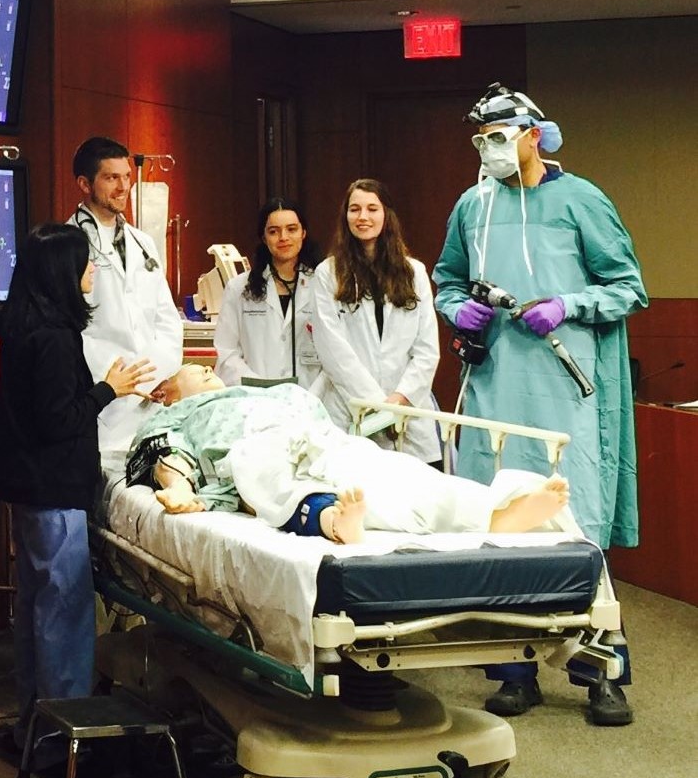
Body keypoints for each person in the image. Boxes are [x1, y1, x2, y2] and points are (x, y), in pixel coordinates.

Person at [433, 81, 648, 726]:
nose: (489, 150)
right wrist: (457, 310)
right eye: (480, 140)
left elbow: (628, 287)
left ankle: (600, 671)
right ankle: (514, 669)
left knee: (572, 524)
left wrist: (570, 304)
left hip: (565, 389)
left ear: (533, 133)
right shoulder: (472, 206)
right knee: (501, 524)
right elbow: (448, 278)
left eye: (499, 136)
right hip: (496, 387)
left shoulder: (580, 200)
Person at [0, 223, 154, 766]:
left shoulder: (23, 325)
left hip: (29, 486)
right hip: (54, 488)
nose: (92, 271)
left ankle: (37, 726)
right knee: (64, 612)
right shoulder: (55, 338)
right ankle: (63, 744)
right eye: (84, 263)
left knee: (37, 609)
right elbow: (61, 420)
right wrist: (110, 388)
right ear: (61, 271)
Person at [127, 365, 574, 544]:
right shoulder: (182, 414)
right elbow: (167, 454)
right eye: (197, 373)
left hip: (321, 439)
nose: (210, 372)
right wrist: (180, 488)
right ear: (171, 396)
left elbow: (318, 420)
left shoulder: (272, 393)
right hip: (252, 449)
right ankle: (334, 524)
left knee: (396, 470)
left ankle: (495, 513)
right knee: (273, 482)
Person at [311, 179, 441, 463]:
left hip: (408, 411)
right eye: (354, 209)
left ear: (387, 215)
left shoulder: (414, 272)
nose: (363, 217)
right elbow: (332, 348)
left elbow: (427, 348)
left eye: (372, 208)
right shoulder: (328, 273)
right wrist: (376, 405)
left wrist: (399, 399)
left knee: (415, 495)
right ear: (345, 217)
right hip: (352, 408)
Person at [68, 137, 183, 454]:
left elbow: (167, 318)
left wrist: (156, 372)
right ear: (84, 183)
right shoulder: (69, 244)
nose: (123, 187)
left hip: (152, 395)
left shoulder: (143, 242)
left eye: (127, 176)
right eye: (111, 177)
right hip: (105, 401)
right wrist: (115, 380)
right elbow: (72, 326)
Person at [214, 197, 323, 388]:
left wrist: (314, 395)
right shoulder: (239, 288)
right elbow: (226, 353)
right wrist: (258, 388)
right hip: (254, 398)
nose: (283, 237)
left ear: (303, 233)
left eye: (292, 229)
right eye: (274, 231)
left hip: (311, 397)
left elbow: (334, 353)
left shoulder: (322, 285)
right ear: (264, 238)